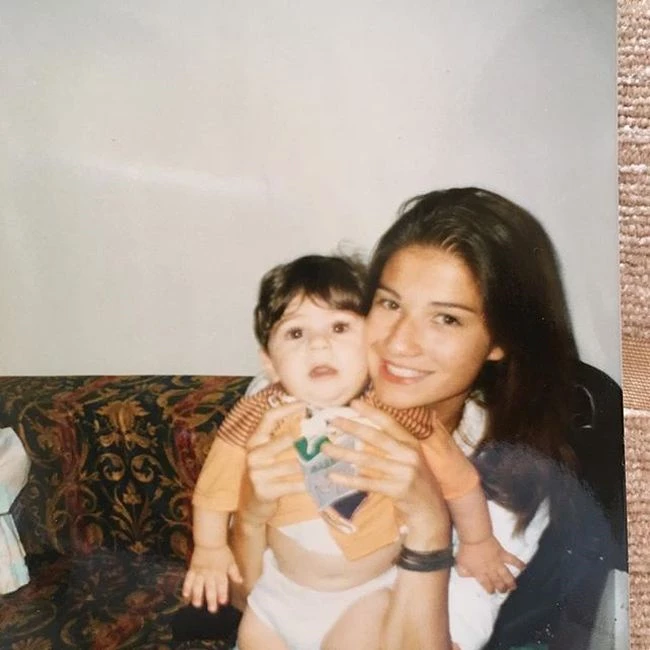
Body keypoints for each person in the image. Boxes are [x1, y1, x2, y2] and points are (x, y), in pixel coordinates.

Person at [229, 187, 594, 650]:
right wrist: (250, 515)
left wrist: (429, 527)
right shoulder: (294, 396)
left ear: (501, 341)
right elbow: (244, 601)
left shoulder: (511, 484)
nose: (399, 343)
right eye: (390, 304)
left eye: (446, 319)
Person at [182, 253, 522, 650]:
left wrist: (478, 542)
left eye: (340, 327)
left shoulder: (398, 412)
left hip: (364, 599)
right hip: (276, 598)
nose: (319, 344)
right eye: (296, 333)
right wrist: (209, 548)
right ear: (270, 362)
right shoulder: (258, 414)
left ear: (370, 344)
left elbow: (460, 480)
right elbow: (214, 489)